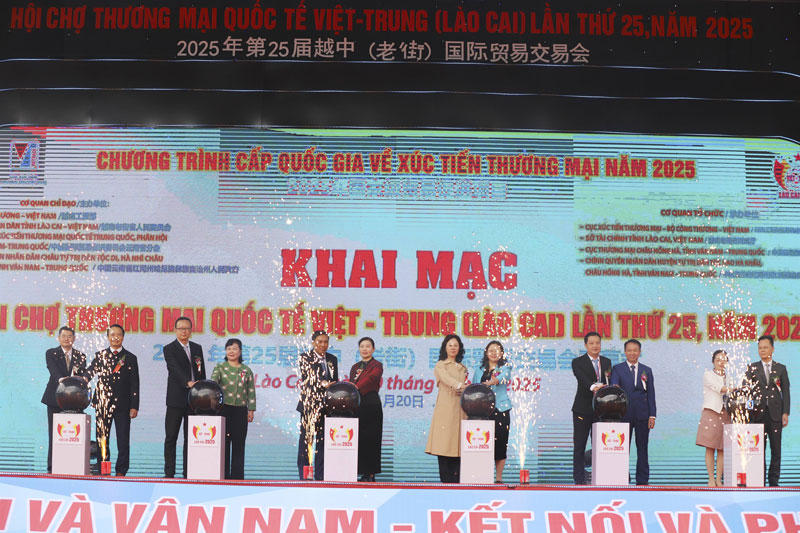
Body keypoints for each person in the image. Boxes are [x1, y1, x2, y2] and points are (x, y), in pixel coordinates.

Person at [88, 324, 140, 476]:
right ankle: (104, 470)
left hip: (123, 405)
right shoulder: (100, 355)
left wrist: (134, 405)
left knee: (123, 440)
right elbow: (90, 372)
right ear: (108, 337)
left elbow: (134, 383)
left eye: (119, 335)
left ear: (123, 337)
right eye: (112, 334)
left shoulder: (130, 358)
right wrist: (80, 378)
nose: (115, 337)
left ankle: (121, 471)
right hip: (103, 404)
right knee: (102, 439)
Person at [162, 316, 206, 478]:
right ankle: (169, 473)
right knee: (171, 437)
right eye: (181, 328)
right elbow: (174, 368)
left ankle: (188, 472)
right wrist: (188, 382)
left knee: (191, 438)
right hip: (176, 399)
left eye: (187, 328)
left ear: (191, 330)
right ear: (175, 330)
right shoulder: (169, 349)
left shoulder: (197, 348)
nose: (184, 331)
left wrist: (202, 388)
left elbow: (201, 371)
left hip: (194, 400)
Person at [744, 335, 790, 486]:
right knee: (758, 451)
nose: (762, 350)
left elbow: (786, 392)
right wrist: (748, 412)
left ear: (772, 349)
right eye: (760, 348)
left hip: (776, 416)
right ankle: (760, 480)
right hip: (757, 416)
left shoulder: (780, 368)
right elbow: (746, 391)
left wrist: (785, 413)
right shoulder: (752, 368)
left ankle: (774, 481)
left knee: (776, 450)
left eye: (765, 347)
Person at [41, 326, 88, 473]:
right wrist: (62, 380)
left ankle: (73, 465)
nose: (66, 339)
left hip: (74, 400)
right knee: (54, 434)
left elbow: (81, 376)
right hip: (55, 397)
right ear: (59, 338)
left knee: (73, 435)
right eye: (64, 336)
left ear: (74, 338)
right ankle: (52, 467)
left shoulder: (80, 356)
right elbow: (53, 370)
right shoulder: (51, 353)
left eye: (69, 336)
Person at [610, 339, 656, 485]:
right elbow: (614, 388)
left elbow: (651, 394)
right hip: (623, 414)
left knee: (642, 448)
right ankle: (623, 478)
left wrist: (652, 415)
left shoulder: (647, 370)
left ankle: (642, 481)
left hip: (643, 414)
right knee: (622, 449)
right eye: (629, 350)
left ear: (640, 352)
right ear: (625, 352)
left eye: (635, 350)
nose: (632, 353)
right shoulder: (617, 369)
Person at [210, 338, 256, 480]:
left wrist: (251, 410)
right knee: (223, 444)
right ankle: (223, 476)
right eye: (229, 348)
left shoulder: (246, 370)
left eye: (234, 348)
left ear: (240, 352)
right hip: (223, 410)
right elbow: (213, 384)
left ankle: (237, 478)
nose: (231, 351)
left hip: (240, 411)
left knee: (239, 443)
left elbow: (251, 391)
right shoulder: (220, 367)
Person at [425, 334, 468, 483]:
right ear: (445, 348)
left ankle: (457, 483)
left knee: (458, 446)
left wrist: (463, 389)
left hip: (460, 408)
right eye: (450, 345)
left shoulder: (463, 368)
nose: (453, 348)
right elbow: (446, 379)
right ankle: (446, 482)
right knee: (443, 445)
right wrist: (459, 385)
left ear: (460, 348)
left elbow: (464, 385)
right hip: (445, 407)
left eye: (456, 345)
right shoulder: (440, 365)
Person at [296, 330, 339, 480]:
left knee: (323, 442)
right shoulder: (305, 357)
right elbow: (308, 376)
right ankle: (305, 476)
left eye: (325, 342)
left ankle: (321, 476)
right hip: (309, 405)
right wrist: (322, 383)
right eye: (319, 341)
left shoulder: (332, 359)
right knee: (307, 441)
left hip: (326, 407)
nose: (322, 344)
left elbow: (335, 380)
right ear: (313, 342)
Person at [571, 331, 612, 484]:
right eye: (591, 343)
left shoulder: (606, 362)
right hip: (582, 409)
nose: (595, 346)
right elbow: (582, 379)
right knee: (579, 446)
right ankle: (579, 480)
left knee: (600, 446)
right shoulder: (577, 362)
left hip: (601, 411)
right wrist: (594, 386)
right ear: (586, 345)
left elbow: (609, 380)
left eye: (597, 343)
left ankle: (601, 477)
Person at [471, 340, 512, 483]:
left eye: (497, 350)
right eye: (491, 350)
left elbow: (503, 378)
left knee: (501, 443)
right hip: (482, 411)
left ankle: (499, 479)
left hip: (501, 410)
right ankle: (483, 476)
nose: (494, 353)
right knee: (483, 443)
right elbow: (474, 387)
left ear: (502, 353)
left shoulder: (506, 367)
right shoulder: (479, 369)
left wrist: (491, 382)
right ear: (486, 352)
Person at [349, 336, 383, 482]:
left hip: (371, 404)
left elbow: (371, 379)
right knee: (359, 439)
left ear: (373, 349)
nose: (365, 349)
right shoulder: (355, 367)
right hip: (357, 405)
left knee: (372, 439)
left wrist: (356, 386)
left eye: (368, 346)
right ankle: (358, 471)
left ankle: (370, 473)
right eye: (362, 346)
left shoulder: (377, 365)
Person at [696, 349, 731, 487]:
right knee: (710, 447)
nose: (721, 363)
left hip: (726, 414)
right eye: (718, 360)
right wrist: (735, 388)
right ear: (713, 362)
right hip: (711, 412)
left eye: (724, 360)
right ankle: (711, 478)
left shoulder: (730, 376)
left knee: (722, 448)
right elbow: (720, 388)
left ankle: (719, 479)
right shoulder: (708, 374)